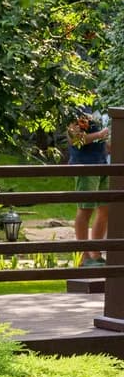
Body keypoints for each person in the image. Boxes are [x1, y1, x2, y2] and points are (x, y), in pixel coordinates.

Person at [68, 107, 111, 266]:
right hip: (85, 166)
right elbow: (75, 139)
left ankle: (96, 254)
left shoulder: (97, 108)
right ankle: (84, 256)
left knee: (105, 210)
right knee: (85, 209)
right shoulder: (77, 110)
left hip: (103, 164)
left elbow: (104, 143)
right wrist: (99, 135)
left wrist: (108, 145)